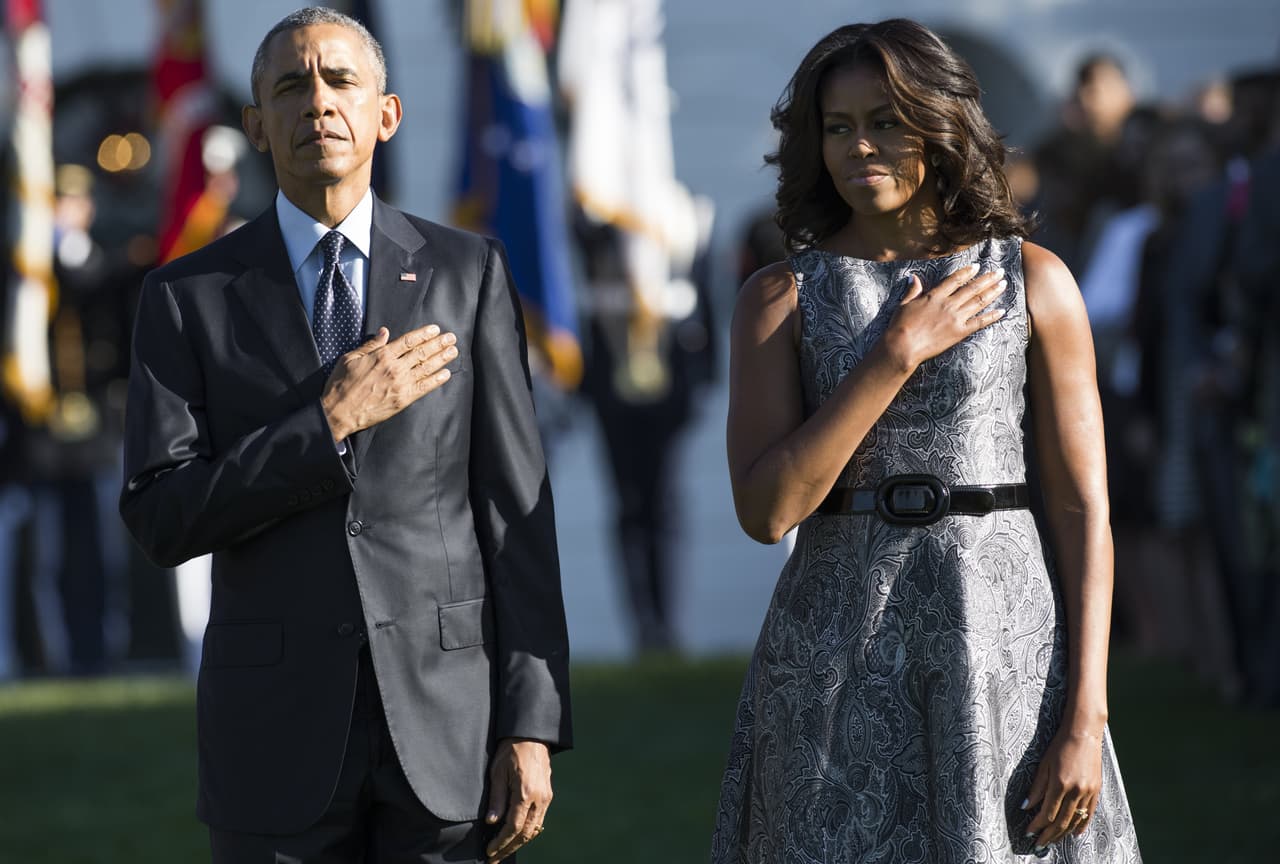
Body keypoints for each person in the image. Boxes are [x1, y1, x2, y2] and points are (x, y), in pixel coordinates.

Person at [119, 8, 571, 863]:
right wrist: (326, 424)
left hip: (447, 735)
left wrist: (531, 724)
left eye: (339, 81)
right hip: (273, 747)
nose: (316, 103)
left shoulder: (467, 273)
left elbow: (516, 517)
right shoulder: (187, 296)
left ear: (385, 113)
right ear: (256, 125)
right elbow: (160, 516)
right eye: (290, 87)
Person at [711, 20, 1142, 862]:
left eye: (886, 121)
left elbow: (1083, 505)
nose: (860, 146)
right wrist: (894, 355)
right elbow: (767, 512)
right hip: (834, 656)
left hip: (1002, 650)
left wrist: (1086, 712)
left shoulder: (1034, 280)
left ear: (939, 126)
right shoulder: (778, 297)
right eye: (838, 127)